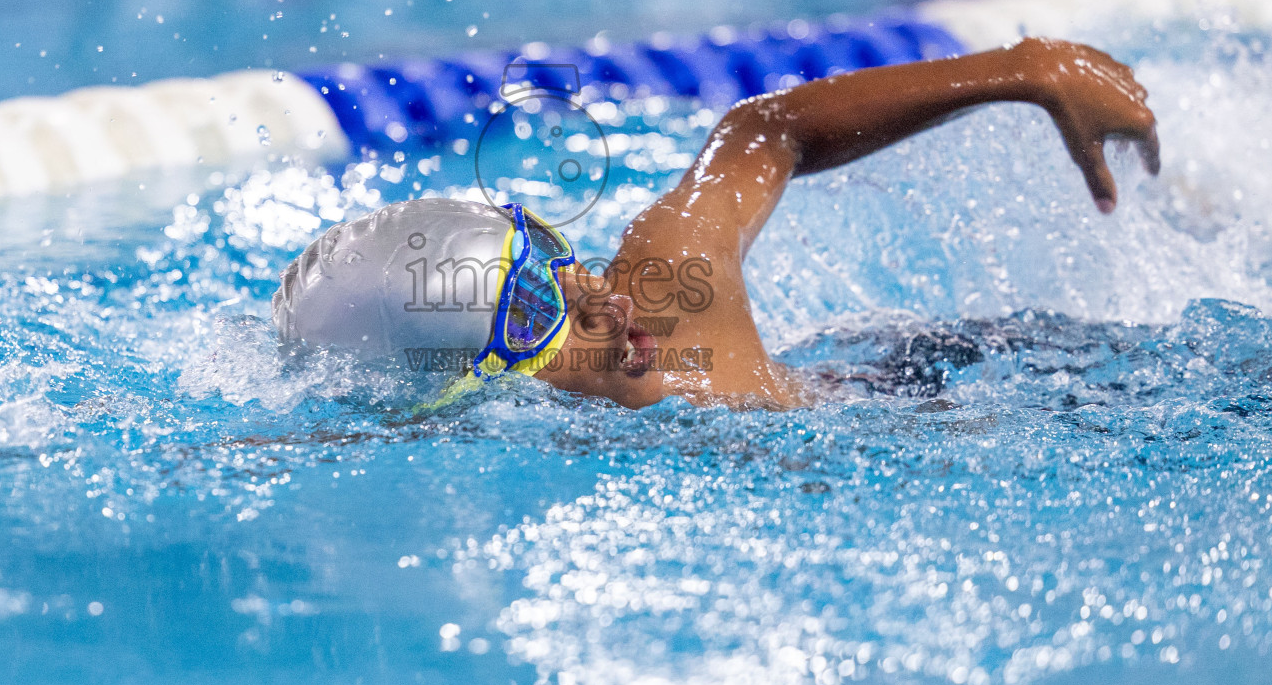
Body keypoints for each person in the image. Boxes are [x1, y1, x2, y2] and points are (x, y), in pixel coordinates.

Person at [273, 37, 1160, 410]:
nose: (597, 298)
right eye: (529, 313)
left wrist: (1028, 67)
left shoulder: (669, 300)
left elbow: (761, 130)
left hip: (1019, 374)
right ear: (468, 386)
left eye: (547, 256)